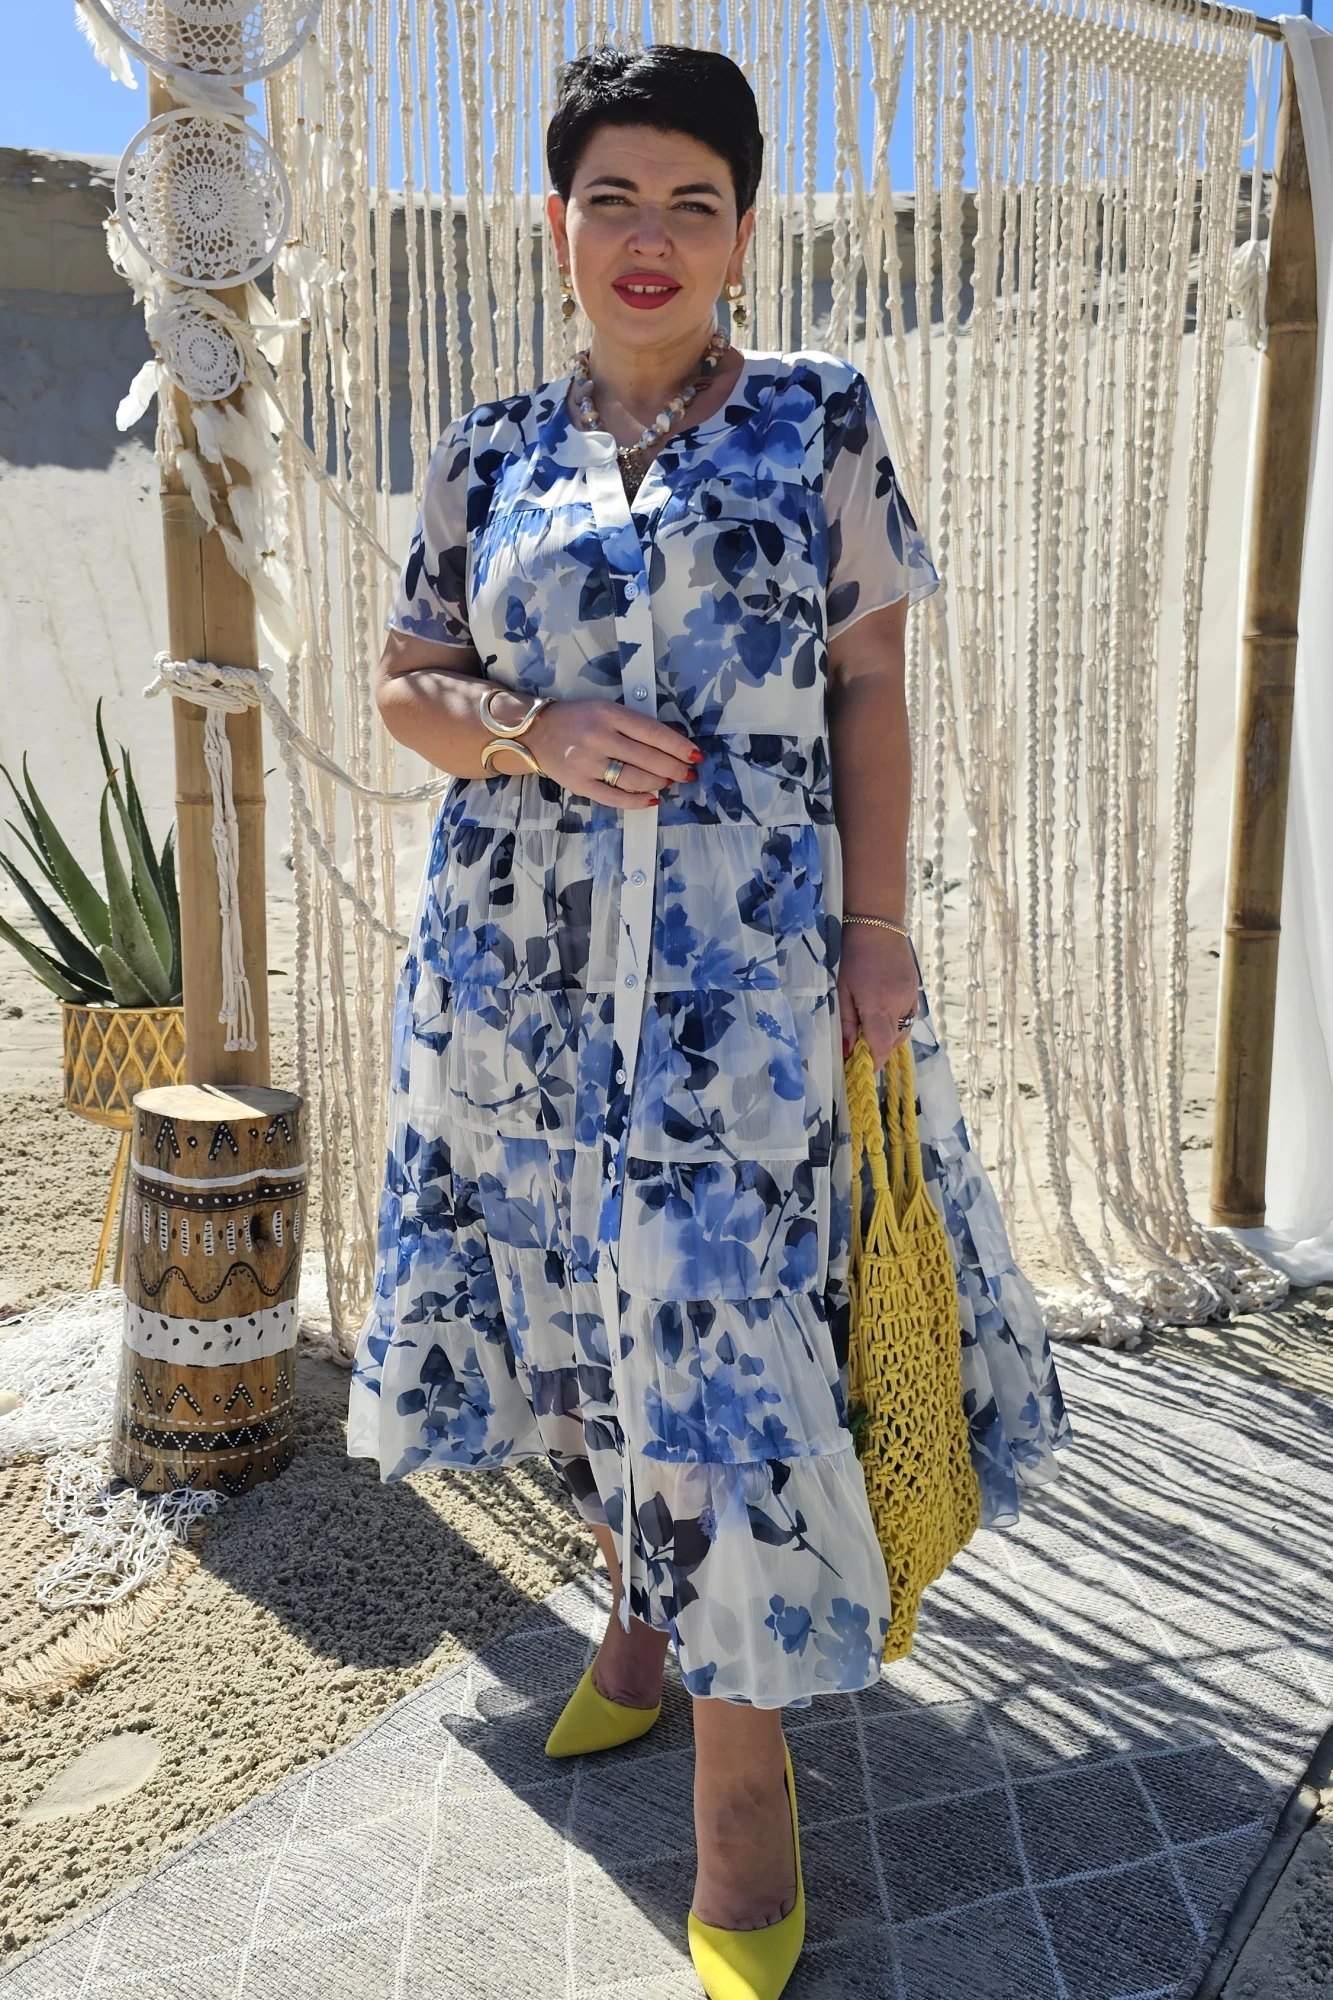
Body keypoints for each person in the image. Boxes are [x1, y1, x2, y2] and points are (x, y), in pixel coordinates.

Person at [347, 42, 1069, 2000]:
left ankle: (743, 1796)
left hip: (743, 987)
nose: (650, 236)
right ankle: (634, 1626)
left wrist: (879, 927)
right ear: (557, 224)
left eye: (693, 200)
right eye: (615, 198)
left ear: (744, 229)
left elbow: (871, 686)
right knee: (579, 1318)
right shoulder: (487, 452)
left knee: (723, 1345)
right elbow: (407, 683)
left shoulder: (818, 416)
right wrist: (535, 726)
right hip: (520, 982)